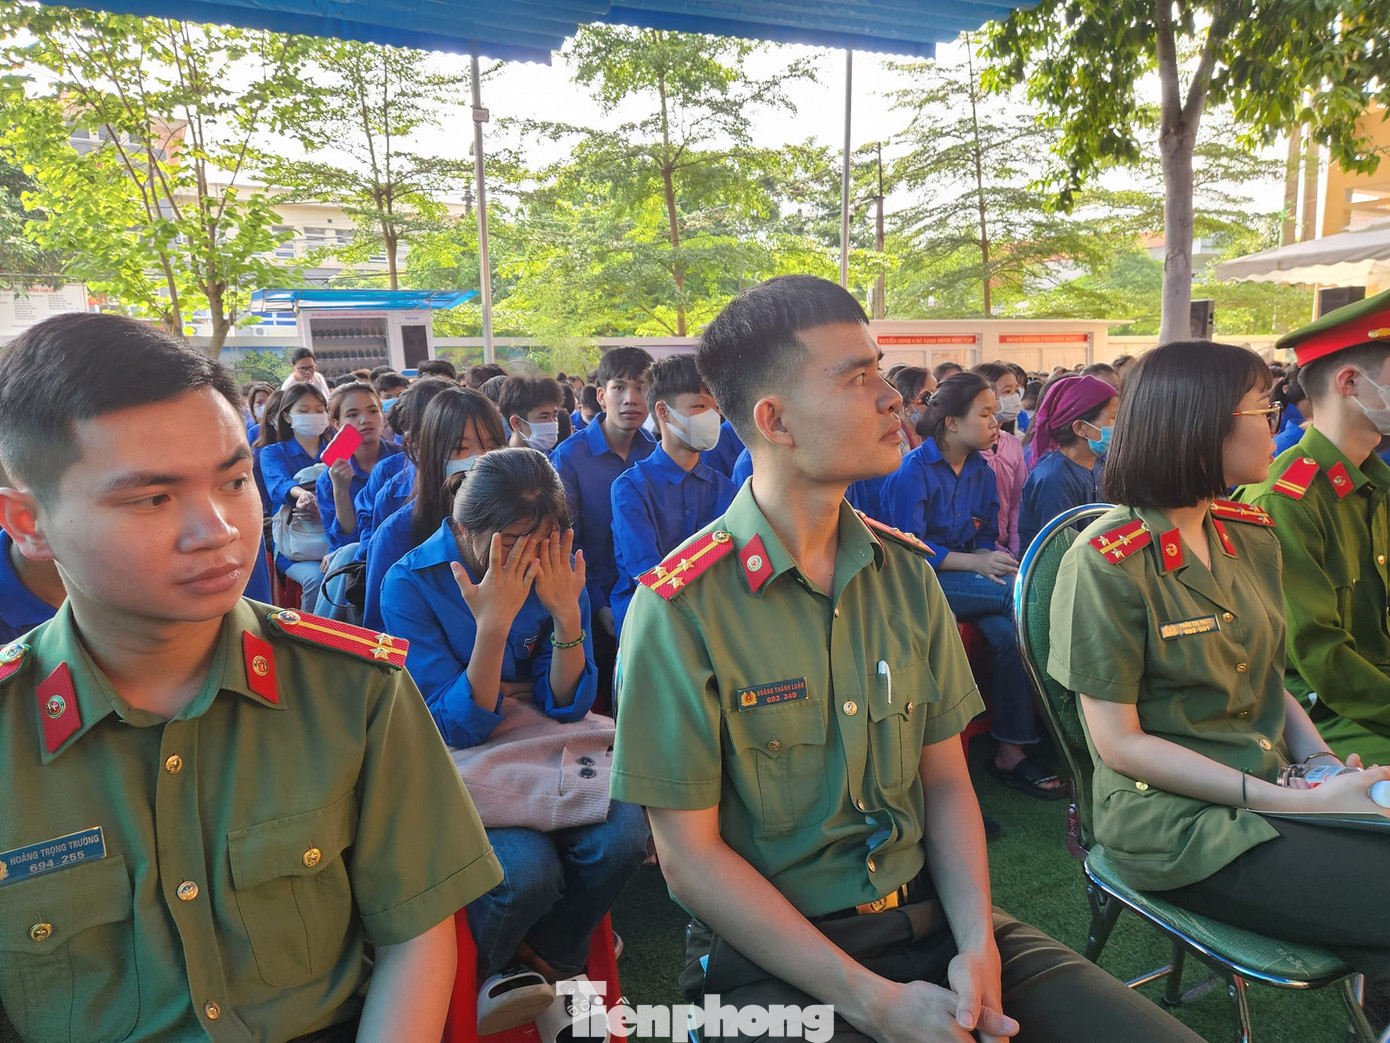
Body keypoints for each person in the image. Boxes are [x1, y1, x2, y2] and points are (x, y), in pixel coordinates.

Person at [610, 276, 1205, 1043]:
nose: (894, 397)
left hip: (936, 923)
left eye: (882, 370)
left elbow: (946, 781)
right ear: (775, 419)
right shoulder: (680, 608)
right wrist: (874, 1003)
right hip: (774, 962)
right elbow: (688, 859)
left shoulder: (907, 574)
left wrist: (977, 946)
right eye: (858, 377)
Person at [0, 312, 502, 1042]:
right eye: (152, 497)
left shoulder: (354, 691)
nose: (219, 528)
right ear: (27, 521)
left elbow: (416, 934)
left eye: (234, 478)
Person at [1048, 338, 1390, 1009]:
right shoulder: (1107, 561)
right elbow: (1119, 744)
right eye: (1262, 409)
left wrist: (1321, 765)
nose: (1279, 420)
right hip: (1173, 820)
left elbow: (1270, 679)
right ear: (1199, 425)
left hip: (1273, 783)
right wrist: (1297, 801)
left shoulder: (1247, 531)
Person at [380, 449, 647, 1031]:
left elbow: (568, 703)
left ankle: (545, 968)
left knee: (626, 833)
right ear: (465, 528)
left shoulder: (557, 567)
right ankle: (492, 973)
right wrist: (493, 626)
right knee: (525, 874)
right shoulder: (412, 580)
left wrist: (567, 620)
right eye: (512, 542)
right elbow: (455, 725)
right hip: (467, 763)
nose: (531, 556)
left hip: (547, 749)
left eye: (546, 538)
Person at [882, 373, 1063, 799]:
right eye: (984, 414)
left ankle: (1011, 750)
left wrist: (988, 559)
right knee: (1018, 596)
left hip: (966, 581)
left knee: (1009, 635)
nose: (996, 421)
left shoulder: (982, 468)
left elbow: (984, 532)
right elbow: (908, 549)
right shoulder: (913, 471)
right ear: (951, 423)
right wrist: (978, 563)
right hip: (917, 584)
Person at [1238, 290, 1390, 766]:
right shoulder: (1287, 499)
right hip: (1325, 716)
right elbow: (1320, 658)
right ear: (1350, 382)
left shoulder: (1377, 483)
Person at [551, 346, 656, 710]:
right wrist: (598, 605)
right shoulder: (570, 457)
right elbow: (566, 541)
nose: (631, 399)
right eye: (619, 388)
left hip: (646, 603)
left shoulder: (655, 452)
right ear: (601, 395)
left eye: (642, 387)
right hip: (588, 606)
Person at [609, 354, 737, 638]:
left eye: (716, 408)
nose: (713, 417)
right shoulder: (630, 488)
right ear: (664, 412)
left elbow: (733, 567)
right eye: (700, 406)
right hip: (648, 628)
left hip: (711, 628)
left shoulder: (725, 488)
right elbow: (648, 573)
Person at [363, 387, 506, 631]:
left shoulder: (517, 521)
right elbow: (380, 638)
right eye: (460, 449)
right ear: (430, 452)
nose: (479, 459)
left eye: (490, 448)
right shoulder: (396, 535)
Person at [1017, 375, 1118, 553]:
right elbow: (1061, 552)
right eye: (1113, 418)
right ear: (1079, 428)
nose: (1120, 426)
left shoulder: (1098, 464)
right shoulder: (1054, 479)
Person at [258, 382, 332, 609]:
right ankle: (310, 638)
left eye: (320, 410)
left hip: (335, 539)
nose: (314, 415)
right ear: (288, 417)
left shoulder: (338, 448)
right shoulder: (272, 452)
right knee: (316, 578)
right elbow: (278, 484)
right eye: (304, 410)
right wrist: (302, 496)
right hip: (293, 546)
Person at [315, 381, 401, 553]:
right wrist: (340, 490)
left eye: (373, 411)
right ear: (337, 423)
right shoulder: (329, 478)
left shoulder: (403, 460)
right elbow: (344, 540)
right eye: (353, 415)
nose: (365, 420)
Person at [972, 363, 1026, 557]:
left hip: (1006, 546)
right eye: (1007, 391)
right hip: (974, 549)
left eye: (1015, 391)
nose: (1014, 398)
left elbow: (1017, 500)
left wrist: (1016, 544)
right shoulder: (968, 447)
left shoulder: (1012, 444)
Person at [500, 375, 565, 452]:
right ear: (516, 423)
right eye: (544, 417)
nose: (552, 423)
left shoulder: (554, 459)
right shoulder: (498, 462)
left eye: (555, 416)